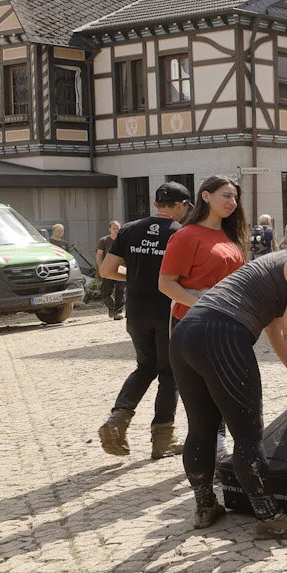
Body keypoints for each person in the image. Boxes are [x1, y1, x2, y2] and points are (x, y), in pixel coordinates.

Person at [170, 205, 287, 540]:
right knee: (248, 435)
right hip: (221, 335)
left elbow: (274, 327)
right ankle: (269, 516)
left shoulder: (280, 261)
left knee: (202, 427)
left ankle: (205, 505)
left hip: (186, 332)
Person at [95, 182, 190, 459]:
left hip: (136, 310)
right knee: (169, 373)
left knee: (144, 366)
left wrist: (134, 277)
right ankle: (162, 440)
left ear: (156, 203)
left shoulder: (129, 229)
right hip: (167, 310)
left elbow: (106, 270)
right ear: (182, 205)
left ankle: (117, 420)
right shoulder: (180, 233)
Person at [160, 177, 248, 336]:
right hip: (194, 323)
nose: (233, 202)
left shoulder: (232, 235)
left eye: (235, 198)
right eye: (227, 196)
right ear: (206, 196)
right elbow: (166, 284)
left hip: (228, 318)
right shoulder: (186, 236)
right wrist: (205, 306)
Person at [95, 219, 125, 320]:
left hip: (121, 269)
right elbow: (99, 255)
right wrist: (100, 267)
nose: (116, 230)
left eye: (118, 228)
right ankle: (112, 308)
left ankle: (118, 311)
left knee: (120, 290)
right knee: (105, 292)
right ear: (109, 229)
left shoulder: (123, 240)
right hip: (108, 269)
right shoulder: (104, 241)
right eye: (114, 228)